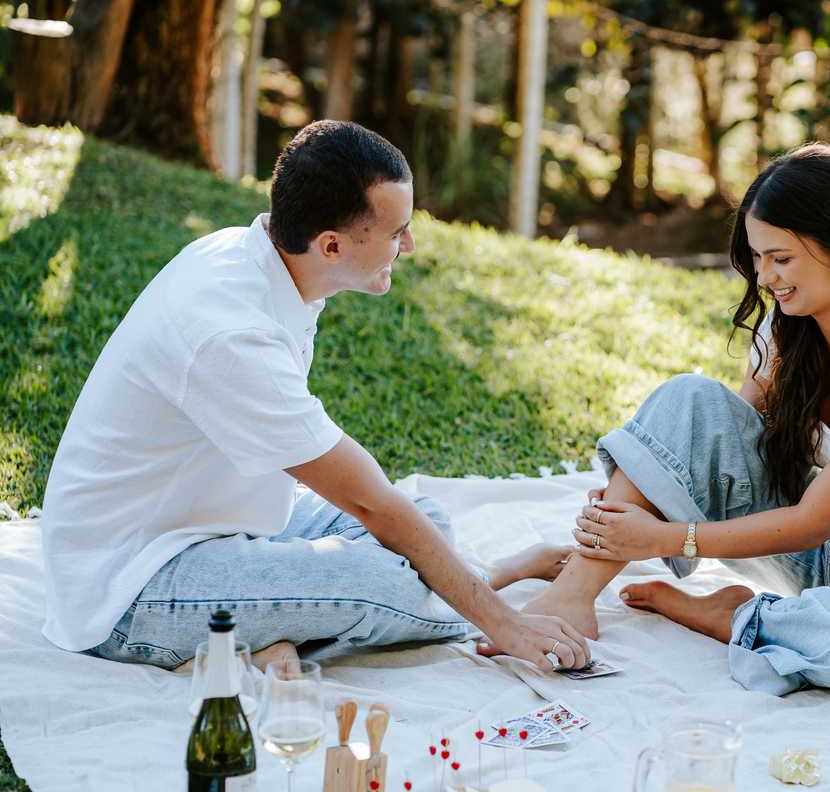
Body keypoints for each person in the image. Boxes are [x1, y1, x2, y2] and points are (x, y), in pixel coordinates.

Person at [40, 120, 590, 673]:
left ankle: (280, 638)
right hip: (130, 586)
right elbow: (369, 500)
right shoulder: (231, 333)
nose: (410, 245)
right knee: (378, 575)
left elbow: (383, 507)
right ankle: (490, 581)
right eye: (397, 231)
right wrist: (506, 624)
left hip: (218, 516)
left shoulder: (266, 260)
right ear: (331, 244)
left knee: (423, 520)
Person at [480, 143, 830, 697]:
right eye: (757, 258)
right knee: (690, 397)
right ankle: (572, 589)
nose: (767, 277)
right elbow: (715, 437)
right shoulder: (792, 325)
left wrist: (667, 536)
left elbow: (813, 521)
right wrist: (637, 499)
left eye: (782, 257)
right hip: (816, 538)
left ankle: (726, 617)